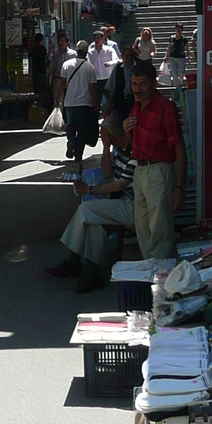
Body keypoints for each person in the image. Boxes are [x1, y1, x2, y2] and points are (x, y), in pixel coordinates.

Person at [46, 121, 137, 293]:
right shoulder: (119, 152)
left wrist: (90, 189)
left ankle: (73, 260)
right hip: (121, 200)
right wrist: (106, 148)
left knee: (86, 209)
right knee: (94, 222)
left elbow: (118, 185)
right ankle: (92, 271)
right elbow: (107, 173)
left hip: (133, 206)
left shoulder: (135, 154)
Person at [113, 62, 185, 262]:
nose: (137, 89)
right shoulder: (136, 106)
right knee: (143, 229)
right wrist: (126, 131)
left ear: (154, 84)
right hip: (140, 170)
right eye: (134, 84)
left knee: (160, 230)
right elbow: (131, 144)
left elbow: (179, 147)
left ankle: (163, 279)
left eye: (142, 84)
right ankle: (153, 273)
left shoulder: (165, 108)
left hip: (159, 170)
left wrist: (180, 185)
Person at [61, 38, 99, 165]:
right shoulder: (90, 68)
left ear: (77, 51)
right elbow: (93, 87)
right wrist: (94, 103)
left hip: (69, 102)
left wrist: (57, 99)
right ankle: (78, 154)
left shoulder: (67, 64)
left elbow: (62, 84)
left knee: (70, 125)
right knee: (82, 129)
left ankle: (71, 140)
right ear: (86, 52)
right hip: (84, 103)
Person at [87, 27, 119, 111]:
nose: (97, 40)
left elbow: (116, 60)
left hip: (107, 78)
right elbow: (89, 64)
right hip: (96, 80)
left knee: (111, 100)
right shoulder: (90, 52)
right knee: (96, 101)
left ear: (103, 38)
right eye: (95, 38)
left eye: (98, 38)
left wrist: (109, 63)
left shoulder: (109, 50)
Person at [50, 31, 76, 105]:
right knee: (58, 102)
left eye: (62, 41)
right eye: (59, 41)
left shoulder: (73, 54)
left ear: (67, 42)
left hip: (70, 80)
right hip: (58, 79)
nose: (60, 43)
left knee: (70, 102)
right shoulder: (56, 55)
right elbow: (53, 69)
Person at [28, 32, 48, 107]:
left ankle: (35, 103)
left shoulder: (33, 49)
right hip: (42, 70)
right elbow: (46, 60)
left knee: (36, 87)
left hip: (35, 71)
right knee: (42, 88)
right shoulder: (43, 49)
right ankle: (41, 104)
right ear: (41, 40)